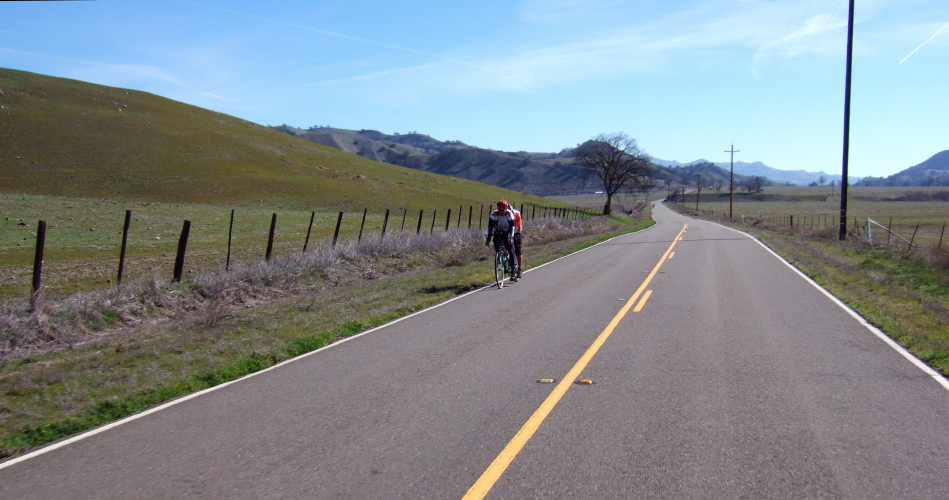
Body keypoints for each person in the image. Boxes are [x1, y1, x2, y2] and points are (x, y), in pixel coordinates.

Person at [485, 199, 518, 281]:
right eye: (499, 210)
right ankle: (501, 260)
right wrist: (488, 239)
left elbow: (512, 227)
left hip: (508, 231)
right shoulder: (494, 214)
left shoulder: (509, 214)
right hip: (498, 231)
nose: (501, 212)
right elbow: (490, 228)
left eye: (503, 210)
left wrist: (511, 238)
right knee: (497, 247)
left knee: (510, 249)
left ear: (506, 209)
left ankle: (513, 272)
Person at [510, 204, 524, 279]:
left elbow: (519, 227)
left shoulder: (517, 214)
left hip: (515, 231)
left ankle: (519, 268)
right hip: (507, 231)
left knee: (518, 250)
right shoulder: (499, 213)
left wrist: (518, 233)